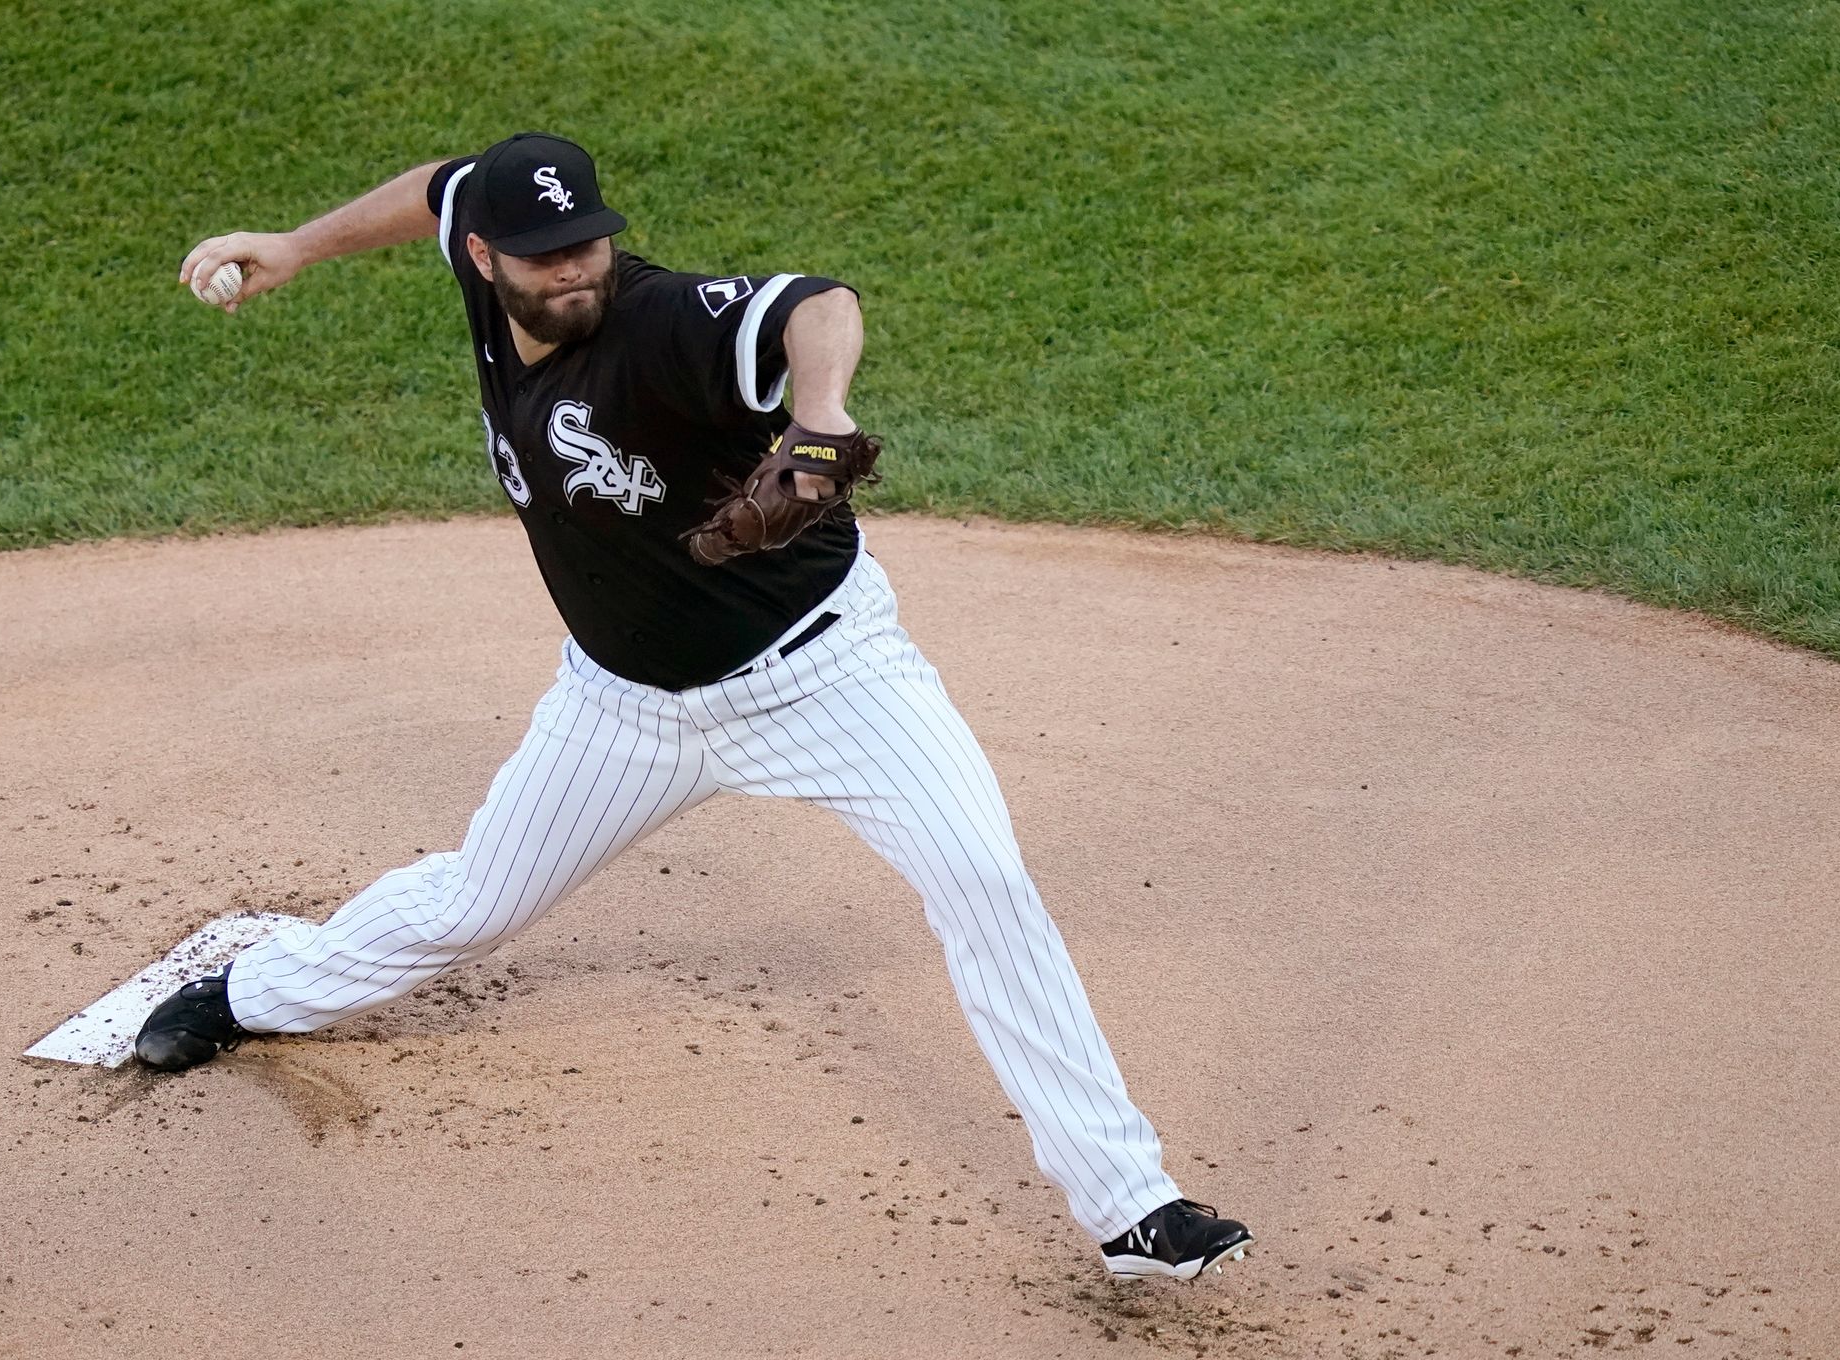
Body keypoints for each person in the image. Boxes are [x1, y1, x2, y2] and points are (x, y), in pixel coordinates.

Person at [147, 131, 1252, 1282]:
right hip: (620, 709)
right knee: (476, 899)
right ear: (482, 257)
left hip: (827, 676)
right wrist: (295, 246)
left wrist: (818, 417)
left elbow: (815, 304)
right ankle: (249, 992)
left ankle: (1134, 1206)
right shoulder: (480, 256)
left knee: (983, 880)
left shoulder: (661, 320)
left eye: (587, 245)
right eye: (543, 257)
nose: (574, 271)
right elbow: (434, 186)